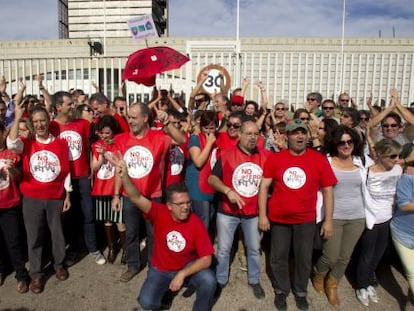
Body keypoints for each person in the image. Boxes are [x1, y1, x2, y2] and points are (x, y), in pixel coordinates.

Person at [106, 151, 216, 311]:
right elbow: (136, 197)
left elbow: (207, 259)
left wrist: (183, 273)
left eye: (188, 202)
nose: (186, 207)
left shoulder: (195, 222)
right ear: (169, 206)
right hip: (161, 269)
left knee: (209, 280)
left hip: (186, 265)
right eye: (180, 204)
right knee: (146, 302)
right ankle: (165, 292)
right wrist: (124, 176)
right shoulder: (160, 212)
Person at [258, 119, 337, 311]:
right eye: (295, 133)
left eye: (303, 132)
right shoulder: (276, 158)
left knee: (303, 258)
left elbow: (328, 190)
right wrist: (262, 215)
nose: (300, 136)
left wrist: (328, 220)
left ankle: (300, 291)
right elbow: (264, 186)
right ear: (288, 136)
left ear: (308, 136)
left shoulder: (318, 159)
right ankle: (281, 290)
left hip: (305, 219)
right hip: (279, 219)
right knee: (278, 257)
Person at [112, 102, 185, 282]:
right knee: (131, 233)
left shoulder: (159, 137)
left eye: (134, 117)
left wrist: (167, 123)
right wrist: (115, 195)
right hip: (129, 196)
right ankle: (133, 265)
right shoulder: (121, 139)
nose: (130, 121)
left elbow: (182, 140)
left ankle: (154, 267)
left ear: (145, 118)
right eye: (129, 117)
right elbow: (117, 171)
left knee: (154, 234)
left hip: (154, 196)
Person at [7, 101, 71, 294]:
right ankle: (36, 274)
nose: (40, 125)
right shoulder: (26, 143)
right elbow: (11, 143)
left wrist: (68, 194)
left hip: (55, 196)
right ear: (32, 124)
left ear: (49, 120)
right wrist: (17, 118)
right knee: (34, 236)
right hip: (32, 197)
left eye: (43, 120)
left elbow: (66, 171)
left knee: (57, 233)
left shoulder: (61, 143)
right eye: (36, 122)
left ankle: (59, 264)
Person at [208, 119, 269, 300]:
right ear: (239, 135)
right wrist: (228, 190)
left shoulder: (266, 156)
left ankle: (254, 279)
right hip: (228, 211)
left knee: (253, 248)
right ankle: (220, 280)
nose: (252, 137)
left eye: (255, 134)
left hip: (253, 213)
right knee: (224, 249)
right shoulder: (226, 154)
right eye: (248, 133)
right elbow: (212, 179)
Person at [312, 126, 371, 307]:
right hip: (333, 216)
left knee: (345, 256)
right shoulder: (326, 161)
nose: (346, 145)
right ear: (334, 144)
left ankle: (333, 284)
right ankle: (318, 273)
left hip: (358, 216)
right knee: (330, 255)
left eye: (349, 141)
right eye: (341, 142)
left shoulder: (362, 161)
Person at [50, 91, 106, 266]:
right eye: (69, 104)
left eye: (73, 103)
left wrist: (90, 170)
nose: (73, 106)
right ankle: (73, 249)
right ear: (58, 107)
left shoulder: (83, 124)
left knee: (88, 214)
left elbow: (90, 148)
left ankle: (93, 248)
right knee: (69, 217)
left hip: (82, 177)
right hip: (62, 179)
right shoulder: (51, 126)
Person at [355, 138, 403, 306]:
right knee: (367, 255)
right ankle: (361, 285)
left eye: (398, 155)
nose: (396, 159)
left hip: (388, 219)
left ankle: (368, 281)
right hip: (371, 220)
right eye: (392, 156)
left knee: (379, 254)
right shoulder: (367, 172)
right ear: (380, 155)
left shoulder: (397, 170)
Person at [0, 122, 30, 293]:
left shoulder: (12, 153)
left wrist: (12, 171)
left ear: (3, 133)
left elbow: (19, 178)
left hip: (10, 204)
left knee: (14, 242)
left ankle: (21, 275)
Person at [91, 115, 125, 264]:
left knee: (119, 219)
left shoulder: (119, 144)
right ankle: (112, 247)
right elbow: (94, 167)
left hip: (115, 186)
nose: (104, 136)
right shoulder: (96, 145)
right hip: (101, 185)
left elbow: (120, 164)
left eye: (107, 132)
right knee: (107, 219)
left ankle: (125, 248)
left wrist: (106, 154)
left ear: (113, 132)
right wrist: (100, 156)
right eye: (102, 133)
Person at [393, 143, 414, 310]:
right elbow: (404, 205)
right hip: (405, 234)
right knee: (412, 273)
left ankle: (409, 301)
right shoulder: (407, 177)